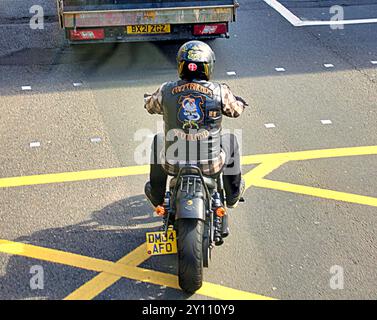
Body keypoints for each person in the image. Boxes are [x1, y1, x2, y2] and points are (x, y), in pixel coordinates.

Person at [144, 40, 248, 209]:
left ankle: (157, 196)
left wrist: (150, 100)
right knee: (230, 140)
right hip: (211, 164)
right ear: (208, 67)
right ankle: (233, 195)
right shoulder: (220, 91)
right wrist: (241, 103)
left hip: (173, 163)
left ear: (181, 66)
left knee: (158, 140)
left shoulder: (166, 90)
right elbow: (235, 111)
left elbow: (150, 106)